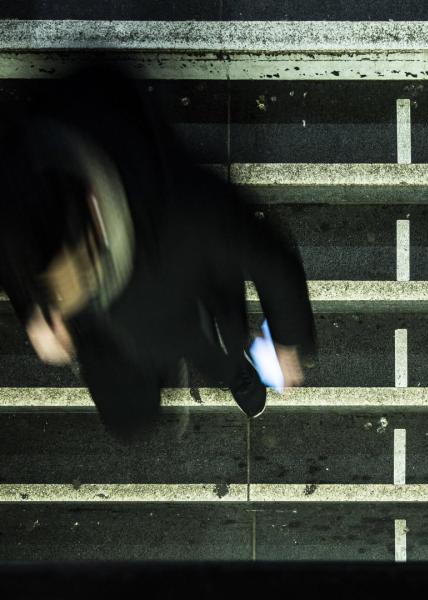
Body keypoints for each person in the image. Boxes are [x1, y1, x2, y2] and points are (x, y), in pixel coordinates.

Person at [0, 67, 316, 441]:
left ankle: (232, 368)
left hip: (119, 145)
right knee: (172, 356)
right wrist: (34, 307)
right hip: (83, 142)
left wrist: (286, 339)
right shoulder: (36, 213)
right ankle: (224, 366)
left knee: (211, 336)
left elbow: (268, 255)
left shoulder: (182, 214)